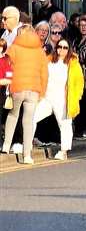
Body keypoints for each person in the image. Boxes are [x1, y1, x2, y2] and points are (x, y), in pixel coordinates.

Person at [2, 13, 45, 164]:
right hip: (34, 89)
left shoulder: (14, 48)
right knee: (28, 121)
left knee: (13, 116)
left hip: (17, 86)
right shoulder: (39, 50)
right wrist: (42, 91)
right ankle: (27, 155)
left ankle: (6, 146)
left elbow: (6, 64)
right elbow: (44, 72)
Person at [41, 36, 82, 159]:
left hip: (62, 98)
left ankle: (64, 151)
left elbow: (79, 82)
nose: (62, 50)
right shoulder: (49, 60)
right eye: (60, 47)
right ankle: (27, 145)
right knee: (32, 117)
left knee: (64, 124)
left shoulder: (73, 63)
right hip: (46, 96)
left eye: (65, 48)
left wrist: (77, 96)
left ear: (69, 49)